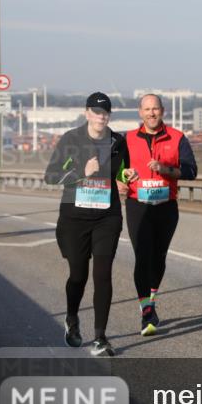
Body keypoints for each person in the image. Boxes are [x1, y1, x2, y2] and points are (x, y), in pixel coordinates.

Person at [44, 92, 130, 357]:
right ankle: (71, 317)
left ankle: (100, 338)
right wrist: (83, 173)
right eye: (96, 112)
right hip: (75, 218)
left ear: (109, 116)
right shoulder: (71, 139)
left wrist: (127, 175)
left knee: (103, 274)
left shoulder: (118, 141)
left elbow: (122, 170)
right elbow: (51, 176)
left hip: (107, 215)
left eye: (105, 113)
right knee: (78, 275)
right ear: (87, 113)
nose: (101, 117)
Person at [123, 94, 198, 336]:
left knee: (158, 257)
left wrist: (164, 169)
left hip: (166, 206)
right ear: (140, 112)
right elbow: (115, 170)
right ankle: (146, 311)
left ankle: (151, 298)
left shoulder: (176, 138)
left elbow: (191, 170)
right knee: (142, 256)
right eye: (147, 109)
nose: (151, 113)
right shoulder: (127, 139)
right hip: (138, 205)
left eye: (155, 109)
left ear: (162, 111)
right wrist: (122, 179)